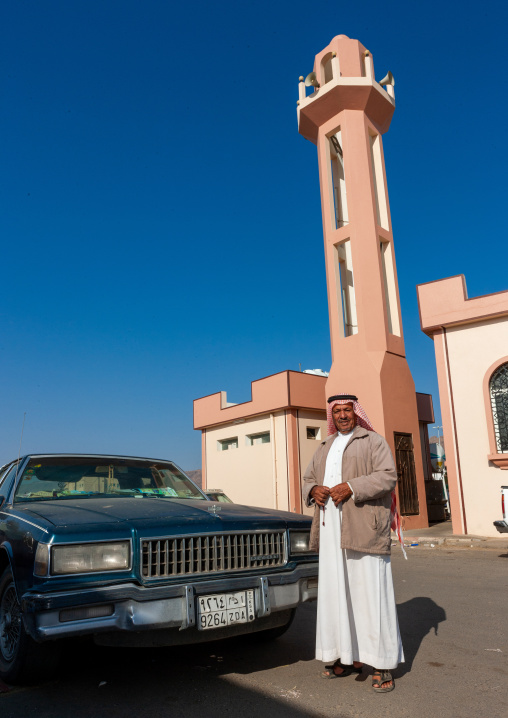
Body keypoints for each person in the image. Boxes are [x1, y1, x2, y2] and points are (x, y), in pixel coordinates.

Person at [302, 393, 404, 693]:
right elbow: (307, 478)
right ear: (331, 416)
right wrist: (314, 490)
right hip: (331, 531)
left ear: (356, 413)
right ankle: (346, 658)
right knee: (337, 596)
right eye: (338, 411)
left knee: (371, 595)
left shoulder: (373, 441)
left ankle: (382, 663)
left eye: (348, 410)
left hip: (364, 530)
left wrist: (351, 487)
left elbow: (387, 477)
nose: (343, 415)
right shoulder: (324, 446)